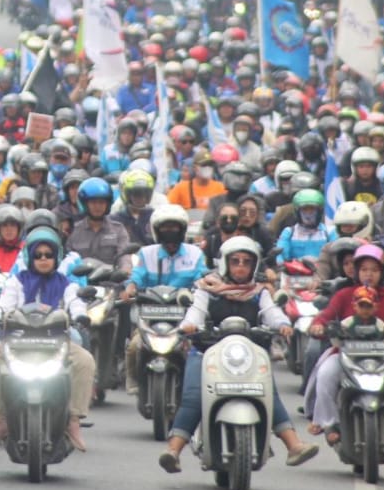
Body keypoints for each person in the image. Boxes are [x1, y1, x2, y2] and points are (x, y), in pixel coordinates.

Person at [158, 237, 319, 473]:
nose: (241, 267)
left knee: (268, 393)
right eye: (235, 261)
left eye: (247, 262)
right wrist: (189, 326)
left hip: (248, 355)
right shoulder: (206, 288)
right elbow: (196, 311)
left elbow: (271, 311)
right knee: (194, 396)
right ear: (224, 263)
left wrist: (283, 324)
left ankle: (293, 445)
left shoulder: (258, 291)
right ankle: (173, 450)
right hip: (206, 351)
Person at [0, 227, 96, 452]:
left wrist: (81, 315)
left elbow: (76, 303)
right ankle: (0, 421)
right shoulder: (17, 281)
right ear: (29, 258)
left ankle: (73, 420)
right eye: (38, 255)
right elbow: (4, 304)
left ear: (56, 258)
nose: (43, 259)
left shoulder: (66, 284)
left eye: (48, 255)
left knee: (86, 361)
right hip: (16, 341)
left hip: (57, 342)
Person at [307, 244, 384, 445]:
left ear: (382, 272)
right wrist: (318, 326)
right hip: (344, 355)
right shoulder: (343, 295)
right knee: (325, 374)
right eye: (364, 270)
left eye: (374, 270)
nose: (368, 275)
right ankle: (329, 423)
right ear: (356, 272)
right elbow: (324, 318)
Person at [123, 204, 209, 393]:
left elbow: (201, 278)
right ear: (156, 230)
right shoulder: (147, 253)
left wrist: (203, 286)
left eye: (174, 227)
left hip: (184, 315)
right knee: (134, 346)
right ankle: (134, 379)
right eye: (165, 228)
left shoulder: (195, 254)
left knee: (197, 350)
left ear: (183, 229)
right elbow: (137, 275)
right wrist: (130, 288)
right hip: (151, 313)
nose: (170, 232)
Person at [67, 177, 133, 269]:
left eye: (101, 202)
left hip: (111, 281)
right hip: (81, 282)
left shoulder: (118, 230)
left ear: (108, 204)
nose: (97, 206)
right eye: (93, 202)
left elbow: (124, 258)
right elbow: (68, 262)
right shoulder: (73, 231)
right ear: (85, 204)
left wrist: (125, 270)